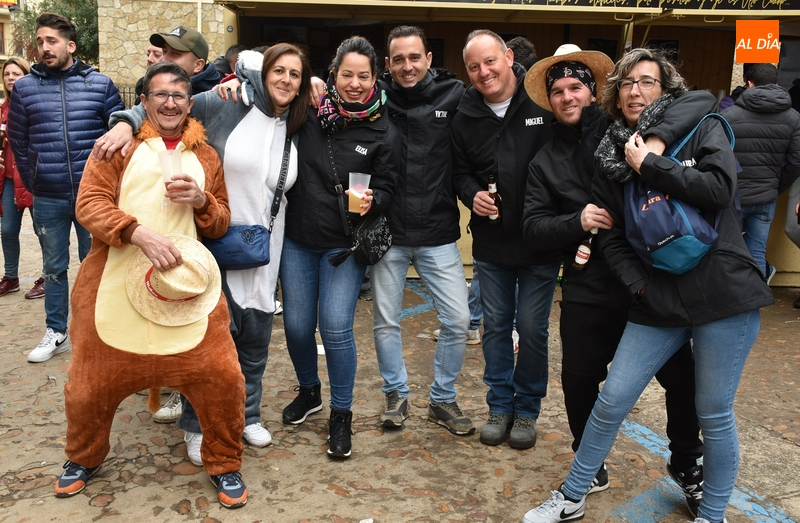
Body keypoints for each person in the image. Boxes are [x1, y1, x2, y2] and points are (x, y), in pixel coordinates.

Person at [521, 48, 774, 523]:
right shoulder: (611, 156)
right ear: (615, 97)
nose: (636, 91)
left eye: (648, 82)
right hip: (658, 297)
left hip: (722, 292)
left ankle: (712, 514)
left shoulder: (704, 127)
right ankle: (573, 495)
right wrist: (639, 288)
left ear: (665, 89)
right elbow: (612, 238)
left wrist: (651, 164)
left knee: (712, 410)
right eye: (627, 84)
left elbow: (719, 190)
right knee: (613, 395)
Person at [98, 44, 312, 463]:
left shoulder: (297, 120)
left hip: (266, 246)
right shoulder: (226, 104)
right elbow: (170, 106)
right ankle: (196, 425)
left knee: (256, 336)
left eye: (296, 74)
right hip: (212, 239)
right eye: (278, 71)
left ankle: (247, 414)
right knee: (211, 343)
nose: (285, 80)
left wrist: (318, 82)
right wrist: (126, 121)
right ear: (263, 73)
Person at [62, 61, 248, 509]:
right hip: (114, 286)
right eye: (160, 94)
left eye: (178, 96)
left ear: (189, 103)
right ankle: (82, 458)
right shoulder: (116, 147)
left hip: (185, 290)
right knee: (88, 385)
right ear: (143, 100)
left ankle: (224, 460)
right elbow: (88, 204)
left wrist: (203, 201)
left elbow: (221, 221)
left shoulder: (205, 155)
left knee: (222, 377)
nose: (169, 103)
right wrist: (136, 232)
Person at [279, 36, 399, 458]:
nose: (354, 83)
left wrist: (374, 200)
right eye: (346, 74)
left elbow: (387, 186)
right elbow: (264, 74)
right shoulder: (307, 111)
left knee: (334, 327)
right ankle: (310, 391)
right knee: (295, 326)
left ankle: (341, 414)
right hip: (297, 240)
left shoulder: (383, 127)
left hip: (343, 246)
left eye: (363, 76)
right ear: (333, 75)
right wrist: (304, 78)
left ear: (374, 78)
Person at [451, 30, 559, 449]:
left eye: (490, 61)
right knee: (495, 326)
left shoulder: (542, 101)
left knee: (532, 328)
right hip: (493, 241)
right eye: (474, 67)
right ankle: (499, 405)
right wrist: (470, 194)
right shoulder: (465, 113)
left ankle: (527, 410)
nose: (483, 72)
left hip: (540, 240)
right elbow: (459, 172)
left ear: (509, 57)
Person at [368, 25, 473, 434]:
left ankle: (442, 399)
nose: (407, 66)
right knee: (385, 320)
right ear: (387, 64)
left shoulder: (457, 96)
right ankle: (396, 394)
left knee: (458, 319)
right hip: (389, 232)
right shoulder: (374, 99)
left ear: (429, 58)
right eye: (398, 59)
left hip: (438, 231)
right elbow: (331, 99)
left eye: (415, 57)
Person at [7, 12, 125, 363]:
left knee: (99, 264)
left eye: (52, 41)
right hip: (49, 197)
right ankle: (56, 331)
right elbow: (19, 139)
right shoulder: (25, 89)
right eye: (40, 41)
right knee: (53, 268)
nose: (44, 48)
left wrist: (107, 185)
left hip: (95, 196)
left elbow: (120, 134)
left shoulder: (100, 84)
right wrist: (37, 181)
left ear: (70, 46)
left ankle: (99, 331)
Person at [722, 63, 800, 281]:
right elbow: (796, 161)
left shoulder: (729, 115)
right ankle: (751, 308)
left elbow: (716, 157)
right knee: (756, 253)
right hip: (766, 197)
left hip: (733, 196)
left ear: (748, 83)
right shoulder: (793, 118)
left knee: (729, 252)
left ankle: (731, 307)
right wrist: (776, 186)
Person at [0, 56, 44, 300]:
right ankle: (11, 277)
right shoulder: (2, 110)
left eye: (16, 74)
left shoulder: (34, 106)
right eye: (7, 74)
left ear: (26, 76)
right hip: (8, 178)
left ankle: (49, 277)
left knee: (43, 231)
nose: (10, 78)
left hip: (33, 178)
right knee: (7, 230)